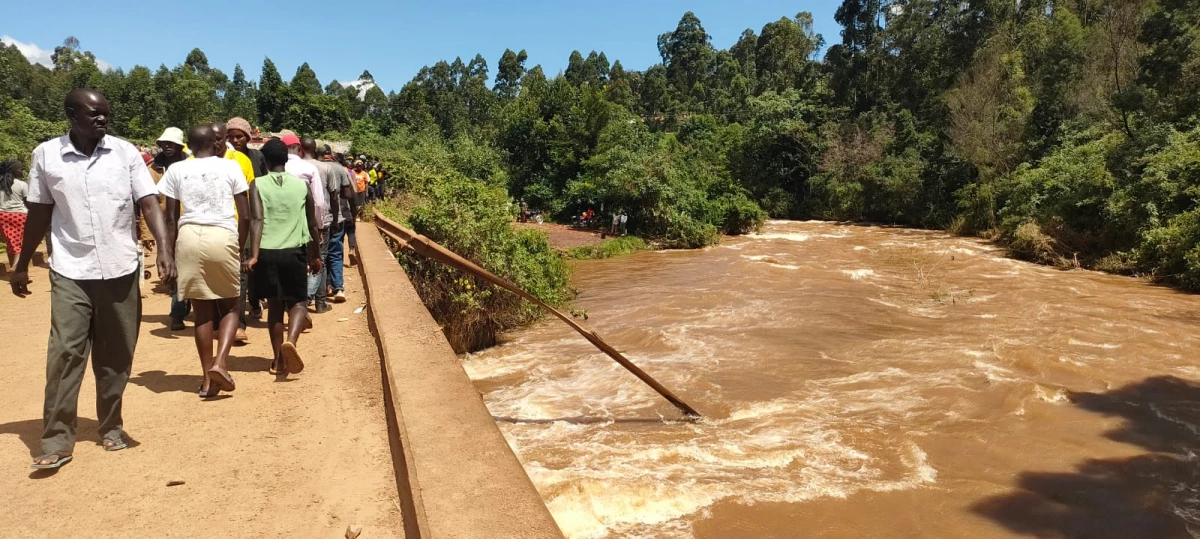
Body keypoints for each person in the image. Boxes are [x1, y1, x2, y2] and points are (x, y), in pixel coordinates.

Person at [12, 88, 176, 469]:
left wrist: (164, 249)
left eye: (105, 113)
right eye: (93, 113)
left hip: (121, 267)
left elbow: (148, 203)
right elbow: (39, 212)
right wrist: (21, 263)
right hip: (71, 269)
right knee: (65, 352)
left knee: (117, 352)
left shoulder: (125, 153)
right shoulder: (46, 155)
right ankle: (56, 440)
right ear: (72, 115)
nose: (102, 119)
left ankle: (111, 425)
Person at [159, 125, 250, 398]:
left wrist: (168, 253)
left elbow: (170, 218)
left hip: (188, 237)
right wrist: (239, 247)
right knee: (231, 305)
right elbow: (245, 215)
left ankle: (207, 381)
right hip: (222, 235)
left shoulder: (176, 169)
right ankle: (220, 363)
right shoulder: (230, 167)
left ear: (189, 144)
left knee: (202, 313)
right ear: (216, 142)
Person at [244, 139, 322, 379]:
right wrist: (315, 255)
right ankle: (291, 341)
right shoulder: (301, 186)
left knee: (275, 307)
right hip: (294, 251)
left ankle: (278, 361)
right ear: (286, 159)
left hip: (267, 252)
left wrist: (254, 255)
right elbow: (312, 223)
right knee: (298, 302)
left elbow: (256, 220)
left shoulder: (257, 184)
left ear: (265, 161)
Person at [227, 118, 268, 326]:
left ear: (248, 137)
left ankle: (253, 302)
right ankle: (237, 319)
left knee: (251, 264)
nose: (235, 141)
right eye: (231, 137)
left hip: (252, 218)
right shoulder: (223, 158)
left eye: (239, 136)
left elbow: (262, 185)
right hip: (229, 218)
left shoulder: (257, 157)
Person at [280, 134, 328, 310]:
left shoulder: (275, 168)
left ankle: (284, 302)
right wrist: (319, 227)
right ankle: (305, 303)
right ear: (299, 148)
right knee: (309, 262)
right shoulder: (308, 168)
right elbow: (318, 202)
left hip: (279, 225)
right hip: (303, 224)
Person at [154, 127, 194, 331]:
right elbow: (149, 203)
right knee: (177, 272)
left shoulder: (191, 165)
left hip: (190, 223)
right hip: (166, 226)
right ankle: (177, 314)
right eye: (164, 143)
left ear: (180, 146)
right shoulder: (153, 169)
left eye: (172, 143)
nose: (167, 146)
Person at [300, 137, 338, 313]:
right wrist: (335, 219)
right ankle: (317, 301)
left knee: (302, 260)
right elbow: (333, 196)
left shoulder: (292, 167)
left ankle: (300, 299)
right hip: (321, 219)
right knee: (320, 258)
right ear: (315, 150)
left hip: (298, 221)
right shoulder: (325, 168)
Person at [0, 159, 28, 267]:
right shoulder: (22, 184)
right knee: (20, 243)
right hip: (19, 216)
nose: (22, 171)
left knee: (10, 243)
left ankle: (13, 265)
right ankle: (16, 267)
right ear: (14, 170)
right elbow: (27, 202)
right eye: (20, 169)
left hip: (3, 216)